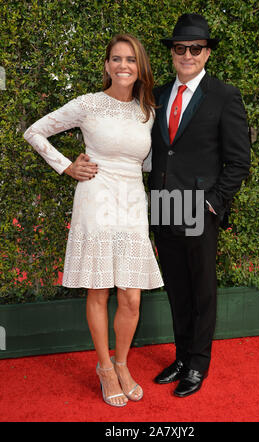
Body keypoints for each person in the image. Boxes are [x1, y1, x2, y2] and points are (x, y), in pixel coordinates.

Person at [23, 34, 163, 407]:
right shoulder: (88, 104)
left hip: (133, 203)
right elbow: (34, 131)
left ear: (140, 67)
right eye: (116, 59)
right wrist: (67, 165)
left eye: (130, 60)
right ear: (106, 65)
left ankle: (122, 363)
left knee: (131, 297)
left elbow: (146, 162)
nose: (123, 66)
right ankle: (104, 367)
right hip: (96, 199)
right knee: (99, 289)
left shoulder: (147, 111)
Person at [148, 13, 251, 397]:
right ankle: (180, 357)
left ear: (206, 54)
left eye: (195, 48)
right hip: (162, 202)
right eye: (180, 48)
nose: (187, 55)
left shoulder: (225, 96)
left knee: (202, 289)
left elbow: (239, 160)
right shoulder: (157, 95)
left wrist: (213, 203)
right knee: (177, 288)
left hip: (198, 205)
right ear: (172, 53)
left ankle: (198, 364)